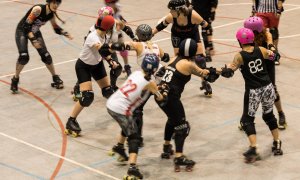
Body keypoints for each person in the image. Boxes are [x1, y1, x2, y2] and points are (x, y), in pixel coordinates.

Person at [219, 27, 283, 163]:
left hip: (254, 91)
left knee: (246, 120)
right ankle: (277, 142)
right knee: (269, 115)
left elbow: (230, 71)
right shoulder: (261, 49)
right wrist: (271, 45)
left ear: (240, 41)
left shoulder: (240, 55)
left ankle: (253, 147)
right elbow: (276, 56)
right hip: (268, 87)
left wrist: (223, 71)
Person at [156, 38, 219, 172]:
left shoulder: (174, 59)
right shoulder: (188, 64)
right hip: (171, 98)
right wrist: (219, 72)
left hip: (160, 95)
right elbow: (206, 75)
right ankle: (179, 157)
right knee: (182, 126)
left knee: (172, 120)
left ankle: (167, 147)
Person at [106, 54, 167, 179]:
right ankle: (132, 168)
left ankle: (119, 147)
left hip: (111, 104)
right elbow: (160, 97)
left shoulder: (136, 73)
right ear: (155, 69)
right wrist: (164, 89)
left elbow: (142, 86)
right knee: (134, 137)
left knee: (128, 124)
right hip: (121, 109)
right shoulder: (151, 83)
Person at [109, 24, 170, 148]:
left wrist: (109, 47)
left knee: (137, 111)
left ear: (139, 35)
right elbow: (166, 57)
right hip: (162, 81)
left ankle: (137, 138)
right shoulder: (156, 45)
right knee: (168, 106)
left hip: (149, 83)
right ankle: (174, 126)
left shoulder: (138, 45)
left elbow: (121, 46)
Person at [64, 15, 118, 137]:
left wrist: (111, 61)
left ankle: (118, 111)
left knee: (108, 91)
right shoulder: (93, 36)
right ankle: (71, 121)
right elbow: (102, 49)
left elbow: (104, 53)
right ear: (109, 28)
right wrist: (116, 47)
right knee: (87, 97)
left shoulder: (105, 35)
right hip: (83, 66)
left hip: (97, 65)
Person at [72, 5, 137, 101]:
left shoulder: (114, 23)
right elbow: (90, 44)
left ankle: (113, 86)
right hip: (97, 50)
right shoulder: (94, 29)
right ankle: (78, 88)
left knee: (117, 67)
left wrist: (134, 38)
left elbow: (126, 28)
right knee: (88, 69)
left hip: (109, 49)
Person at [152, 0, 214, 96]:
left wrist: (209, 44)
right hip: (177, 36)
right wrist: (152, 33)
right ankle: (171, 78)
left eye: (172, 10)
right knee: (178, 59)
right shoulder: (171, 16)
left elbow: (207, 27)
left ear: (179, 10)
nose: (170, 12)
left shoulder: (193, 15)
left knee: (200, 59)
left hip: (192, 35)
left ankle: (204, 81)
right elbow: (161, 26)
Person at [11, 0, 73, 93]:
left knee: (46, 56)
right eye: (54, 2)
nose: (56, 5)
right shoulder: (38, 9)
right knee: (24, 56)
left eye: (58, 3)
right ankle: (15, 79)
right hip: (22, 31)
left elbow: (55, 28)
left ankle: (55, 77)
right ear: (49, 2)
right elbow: (26, 27)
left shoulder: (51, 14)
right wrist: (34, 40)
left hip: (34, 32)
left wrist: (65, 33)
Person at [244, 16, 287, 129]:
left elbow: (270, 42)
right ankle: (246, 118)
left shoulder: (267, 33)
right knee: (251, 91)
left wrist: (272, 49)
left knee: (273, 89)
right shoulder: (247, 36)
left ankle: (281, 114)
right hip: (255, 62)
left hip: (267, 62)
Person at [105, 0, 137, 76]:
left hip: (118, 33)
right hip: (109, 35)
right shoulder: (105, 11)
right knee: (105, 53)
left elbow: (118, 15)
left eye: (114, 2)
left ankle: (126, 66)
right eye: (111, 3)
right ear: (107, 3)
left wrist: (122, 19)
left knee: (123, 48)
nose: (113, 4)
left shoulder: (117, 5)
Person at [252, 0, 285, 65]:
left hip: (273, 12)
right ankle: (261, 53)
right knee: (261, 32)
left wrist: (279, 10)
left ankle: (274, 52)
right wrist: (254, 10)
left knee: (274, 32)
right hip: (261, 11)